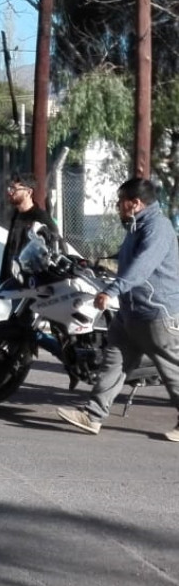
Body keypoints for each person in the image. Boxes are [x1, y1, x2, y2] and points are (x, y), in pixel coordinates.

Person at [57, 178, 179, 441]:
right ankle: (93, 415)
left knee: (172, 370)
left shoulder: (158, 227)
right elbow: (128, 257)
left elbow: (143, 265)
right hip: (130, 313)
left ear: (135, 203)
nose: (117, 207)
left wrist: (112, 291)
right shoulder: (138, 225)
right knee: (114, 363)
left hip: (156, 313)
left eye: (120, 202)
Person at [0, 173, 60, 281]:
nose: (10, 192)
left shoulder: (40, 217)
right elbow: (11, 249)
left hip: (32, 283)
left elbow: (55, 241)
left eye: (14, 189)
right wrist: (4, 278)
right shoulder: (15, 215)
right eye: (10, 188)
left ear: (28, 192)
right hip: (15, 279)